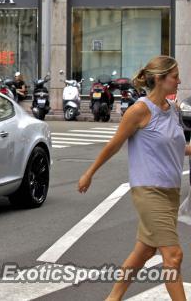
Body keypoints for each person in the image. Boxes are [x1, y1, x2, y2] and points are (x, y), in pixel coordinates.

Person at [78, 56, 189, 300]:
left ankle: (113, 298)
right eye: (175, 76)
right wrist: (90, 173)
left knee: (145, 251)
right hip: (149, 191)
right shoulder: (140, 110)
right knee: (173, 256)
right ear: (159, 79)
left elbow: (179, 147)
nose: (179, 81)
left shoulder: (171, 110)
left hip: (170, 192)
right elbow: (114, 145)